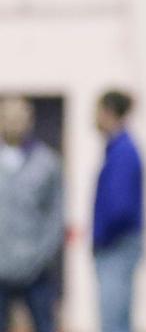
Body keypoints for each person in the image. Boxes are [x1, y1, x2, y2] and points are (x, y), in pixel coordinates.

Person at [0, 96, 63, 332]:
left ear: (30, 121)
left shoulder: (48, 163)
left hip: (36, 269)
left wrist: (41, 256)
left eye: (19, 117)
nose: (13, 123)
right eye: (8, 117)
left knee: (44, 325)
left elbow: (56, 216)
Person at [93, 91, 143, 332]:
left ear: (108, 112)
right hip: (117, 244)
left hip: (116, 246)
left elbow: (120, 207)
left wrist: (103, 237)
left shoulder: (123, 152)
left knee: (113, 321)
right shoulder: (117, 149)